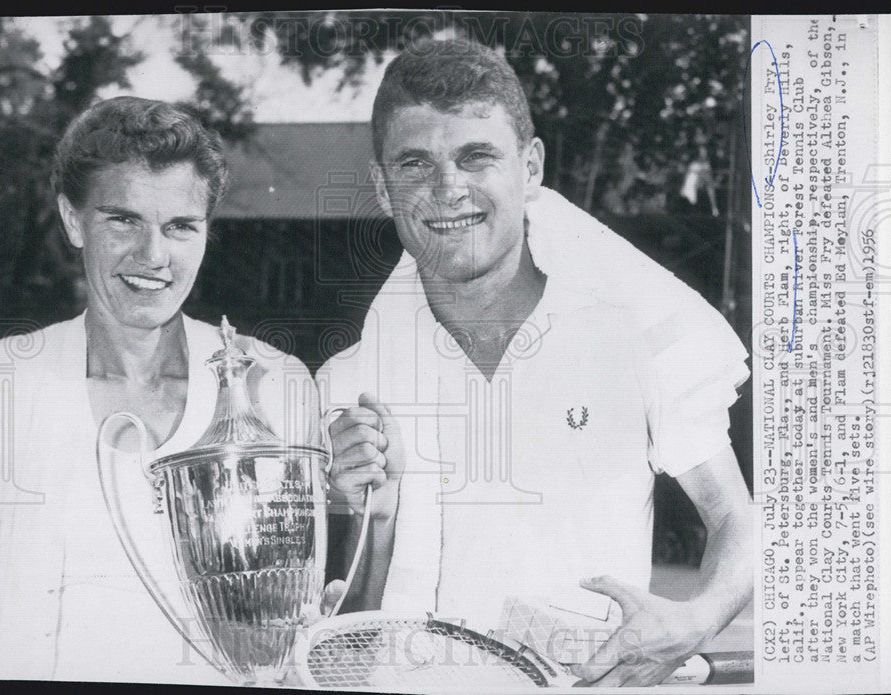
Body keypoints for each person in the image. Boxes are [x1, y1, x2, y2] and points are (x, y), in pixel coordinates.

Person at [318, 38, 753, 687]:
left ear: (532, 167)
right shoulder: (349, 386)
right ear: (382, 186)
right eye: (415, 164)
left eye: (476, 156)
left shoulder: (628, 333)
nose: (447, 189)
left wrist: (695, 618)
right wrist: (371, 517)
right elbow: (354, 640)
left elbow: (736, 520)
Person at [0, 97, 317, 682]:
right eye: (123, 219)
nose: (153, 256)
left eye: (180, 226)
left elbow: (294, 623)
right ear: (73, 220)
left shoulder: (275, 384)